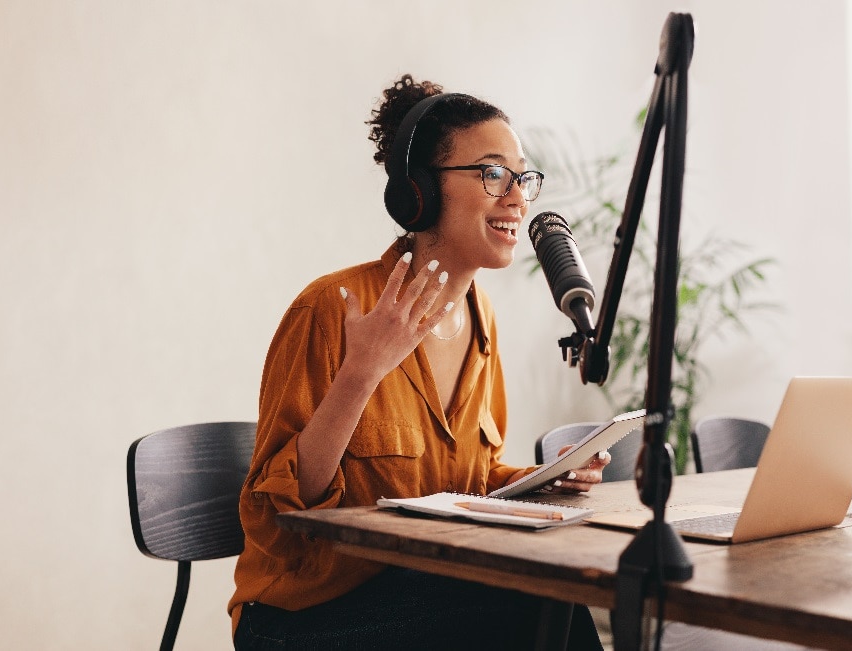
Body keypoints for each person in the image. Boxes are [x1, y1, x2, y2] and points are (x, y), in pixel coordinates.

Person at [230, 74, 610, 650]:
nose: (517, 197)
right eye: (491, 174)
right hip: (302, 616)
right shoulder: (332, 308)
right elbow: (277, 519)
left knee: (539, 592)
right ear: (420, 193)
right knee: (522, 601)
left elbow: (466, 484)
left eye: (522, 176)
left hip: (429, 593)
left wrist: (546, 479)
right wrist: (361, 373)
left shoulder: (481, 319)